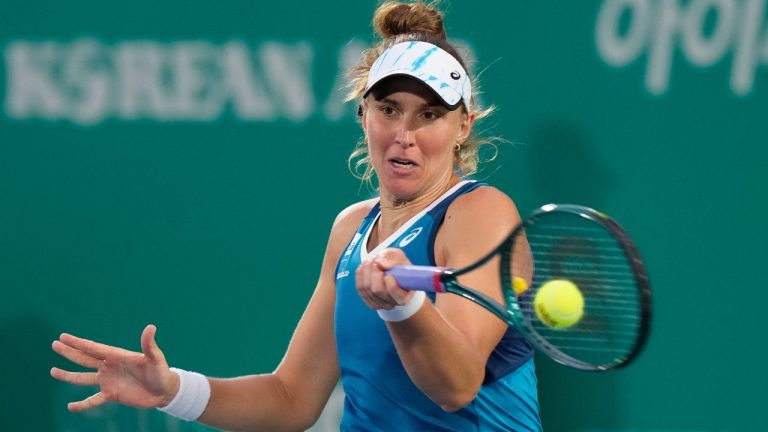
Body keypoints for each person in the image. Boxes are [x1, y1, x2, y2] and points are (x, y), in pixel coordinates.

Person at [50, 1, 542, 430]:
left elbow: (455, 386)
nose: (404, 134)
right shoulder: (352, 229)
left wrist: (400, 307)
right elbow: (292, 399)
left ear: (464, 126)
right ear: (362, 113)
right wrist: (172, 391)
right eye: (389, 109)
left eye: (430, 114)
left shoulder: (481, 213)